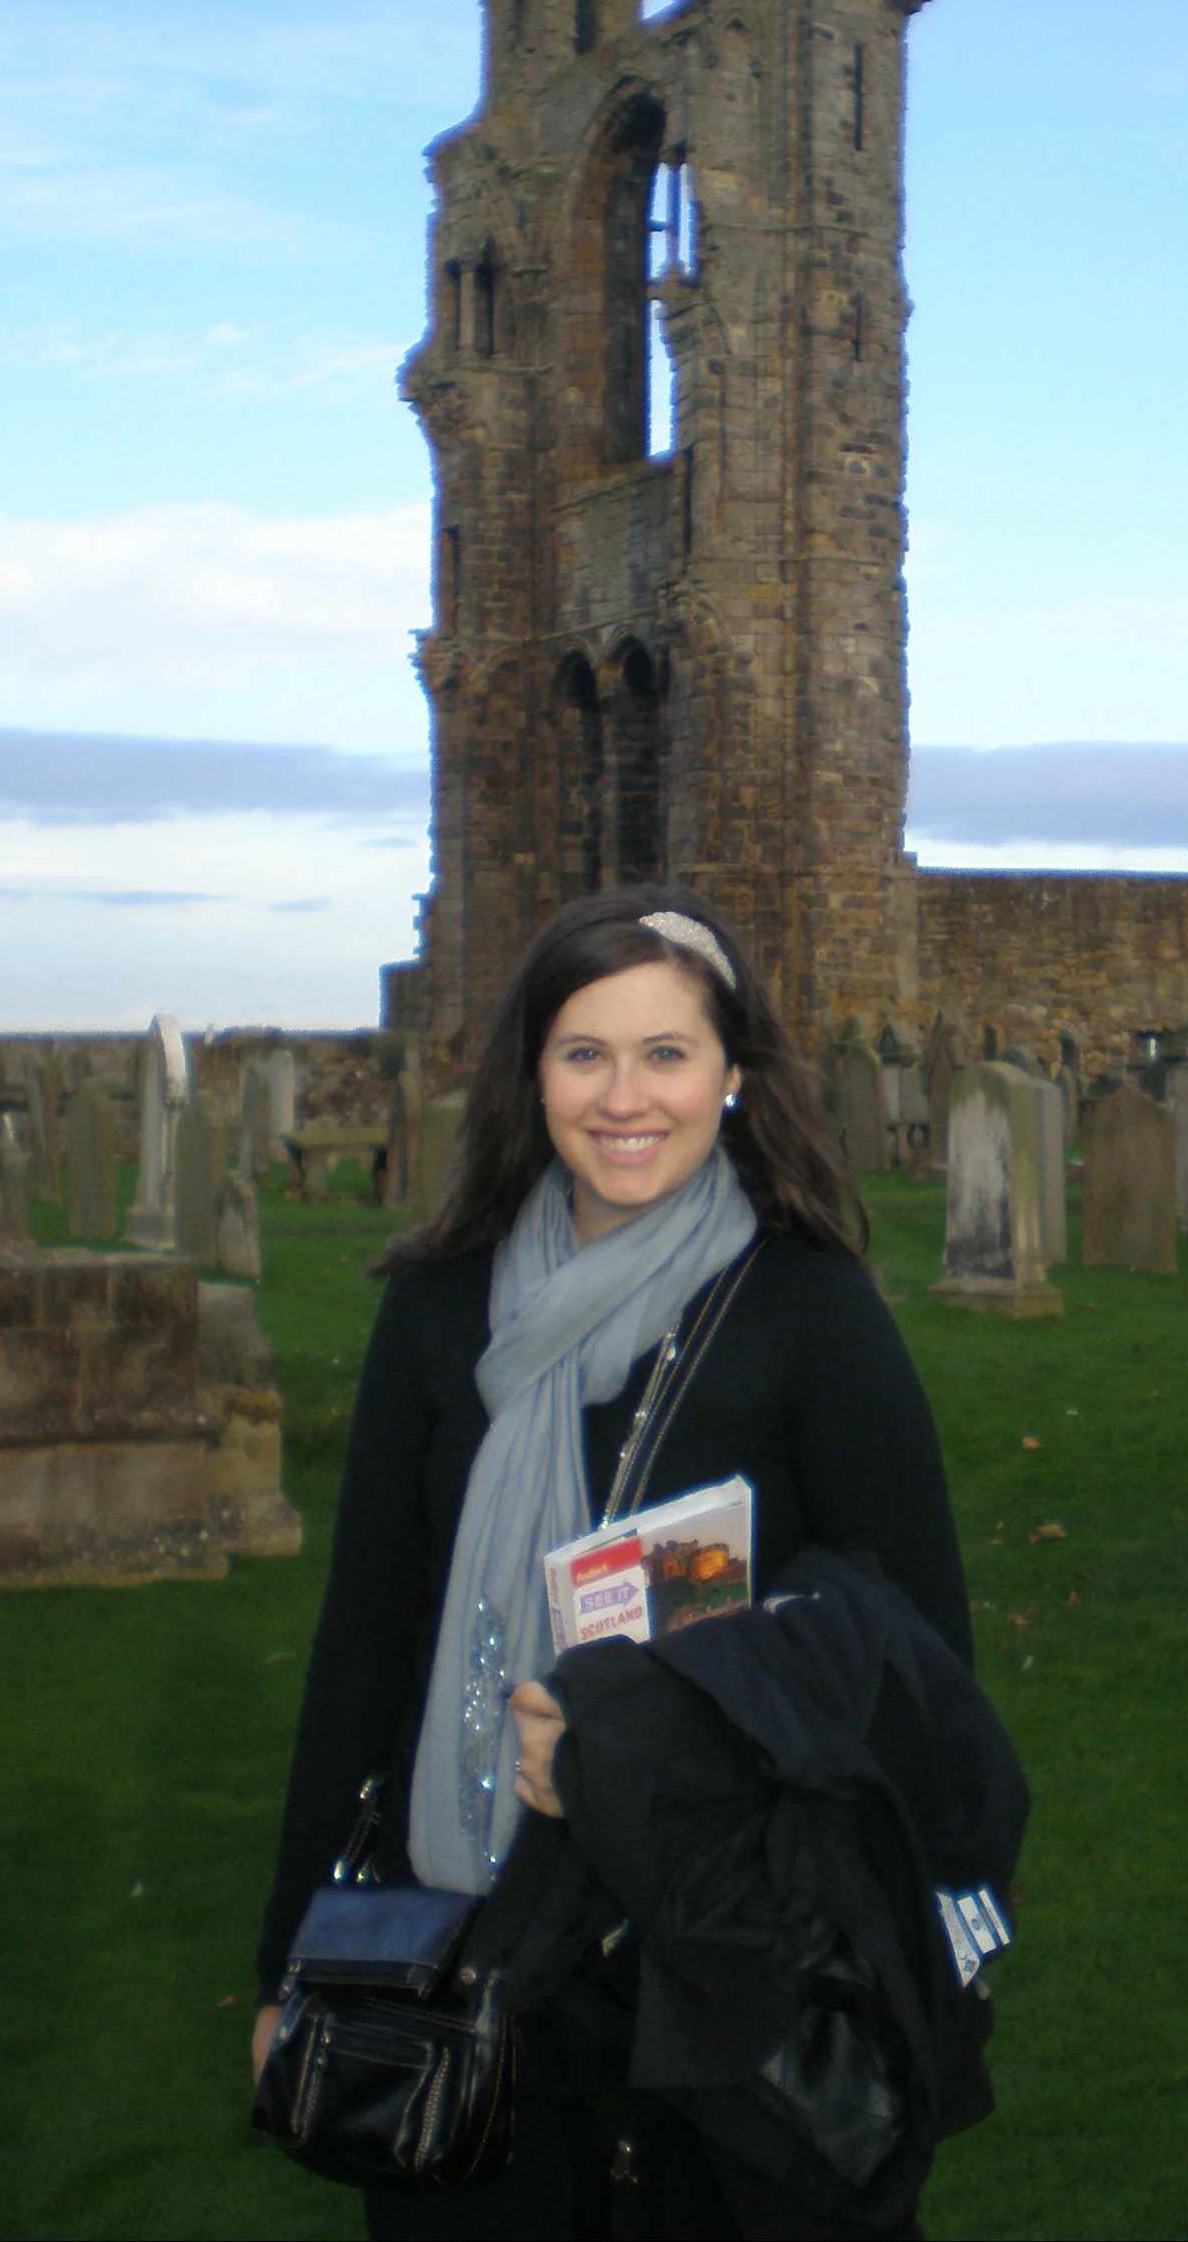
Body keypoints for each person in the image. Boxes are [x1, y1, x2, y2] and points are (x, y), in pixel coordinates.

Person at [253, 882, 973, 2237]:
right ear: (532, 1078)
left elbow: (915, 1651)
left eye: (667, 1054)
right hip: (461, 1935)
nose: (623, 1097)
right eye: (584, 1053)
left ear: (735, 1077)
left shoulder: (809, 1310)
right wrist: (290, 1958)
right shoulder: (440, 1306)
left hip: (713, 1947)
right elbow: (367, 1639)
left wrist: (636, 1732)